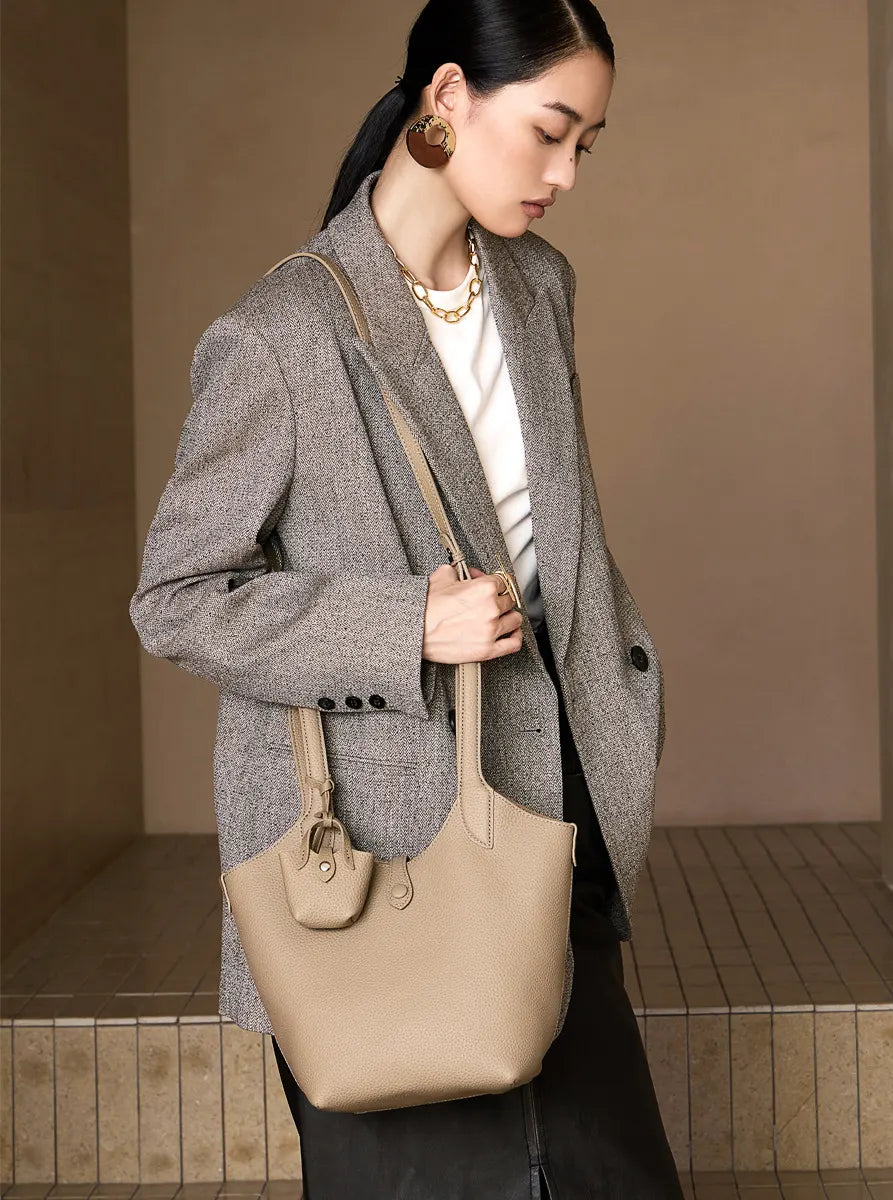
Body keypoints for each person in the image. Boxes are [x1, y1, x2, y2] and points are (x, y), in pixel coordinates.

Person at [129, 0, 680, 1196]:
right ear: (446, 100)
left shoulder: (539, 289)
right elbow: (175, 596)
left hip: (552, 815)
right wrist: (402, 628)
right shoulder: (281, 334)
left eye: (588, 142)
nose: (566, 174)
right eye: (548, 131)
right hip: (387, 873)